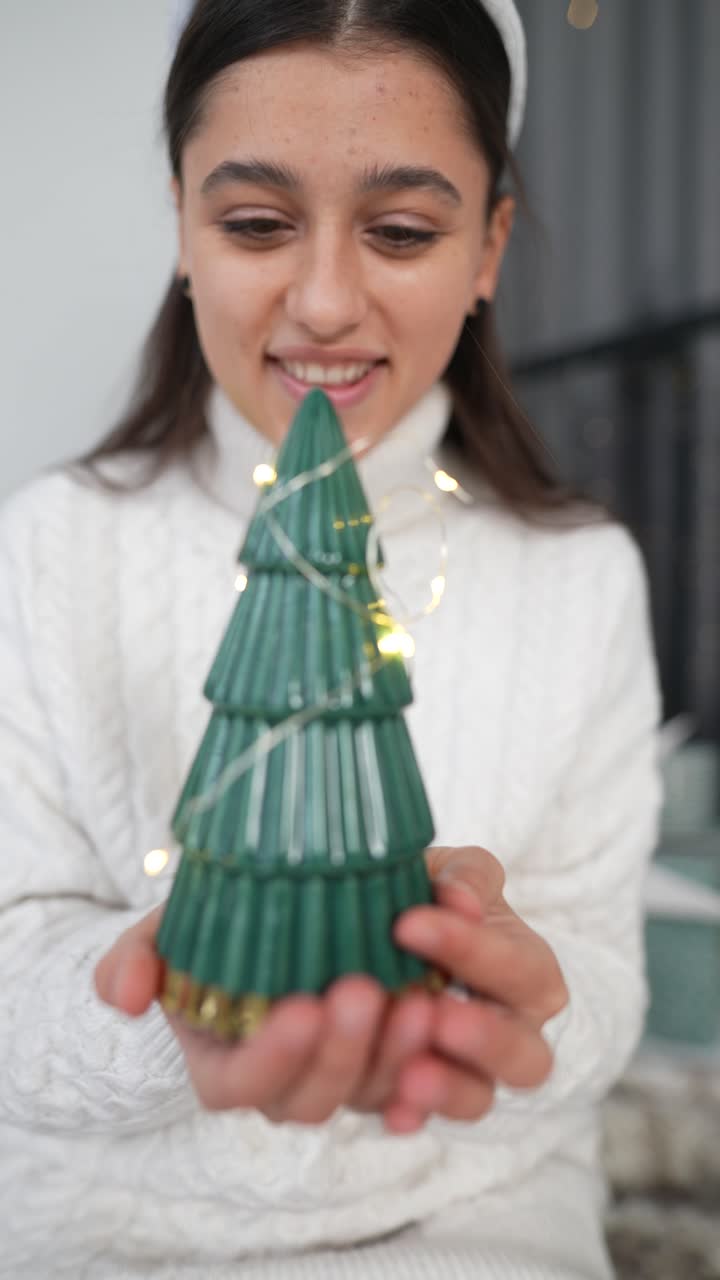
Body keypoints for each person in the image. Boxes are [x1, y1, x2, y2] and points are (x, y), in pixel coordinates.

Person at [0, 1, 664, 1277]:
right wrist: (168, 1008)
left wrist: (526, 992)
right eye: (254, 223)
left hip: (467, 1225)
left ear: (488, 248)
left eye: (404, 231)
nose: (321, 301)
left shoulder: (581, 578)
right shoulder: (51, 546)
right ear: (185, 230)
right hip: (94, 1232)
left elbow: (605, 979)